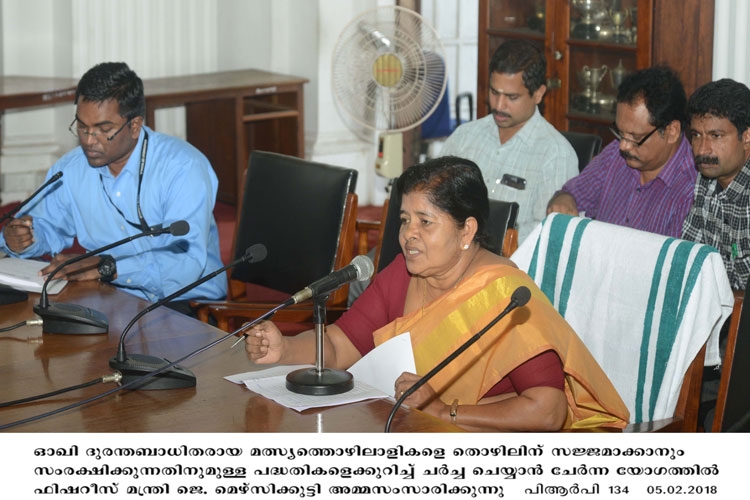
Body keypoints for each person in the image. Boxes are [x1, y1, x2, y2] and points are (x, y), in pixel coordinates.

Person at [246, 156, 629, 432]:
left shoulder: (505, 295)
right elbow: (339, 344)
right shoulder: (406, 272)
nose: (408, 234)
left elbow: (548, 411)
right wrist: (285, 349)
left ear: (466, 232)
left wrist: (447, 412)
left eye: (425, 222)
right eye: (404, 220)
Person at [0, 62, 226, 308]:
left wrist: (107, 267)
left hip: (185, 302)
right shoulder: (71, 169)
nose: (88, 140)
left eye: (103, 129)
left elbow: (186, 263)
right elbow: (45, 226)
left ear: (135, 125)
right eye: (82, 127)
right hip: (110, 294)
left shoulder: (183, 168)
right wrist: (22, 239)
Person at [439, 39, 578, 243]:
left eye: (512, 97)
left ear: (538, 94)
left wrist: (482, 243)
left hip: (510, 268)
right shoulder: (464, 137)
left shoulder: (555, 154)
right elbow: (434, 198)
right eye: (494, 93)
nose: (499, 105)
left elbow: (549, 235)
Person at [547, 65, 697, 238]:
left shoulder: (691, 189)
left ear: (672, 131)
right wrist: (564, 199)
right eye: (620, 132)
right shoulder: (614, 155)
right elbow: (572, 195)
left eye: (635, 136)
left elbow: (674, 262)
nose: (623, 146)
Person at [680, 78, 750, 431]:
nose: (702, 148)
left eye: (716, 136)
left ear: (747, 136)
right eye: (696, 135)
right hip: (719, 337)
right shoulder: (707, 177)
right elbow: (691, 259)